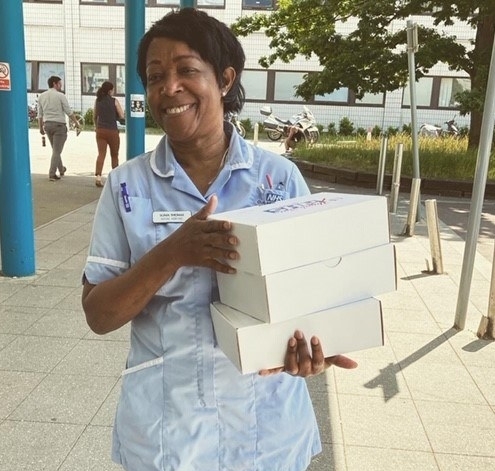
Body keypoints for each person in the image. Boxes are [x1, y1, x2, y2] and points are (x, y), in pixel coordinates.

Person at [81, 9, 357, 471]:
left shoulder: (278, 178)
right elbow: (98, 315)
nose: (169, 88)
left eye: (187, 70)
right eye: (155, 76)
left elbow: (316, 303)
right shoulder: (128, 186)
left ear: (226, 79)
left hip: (266, 430)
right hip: (167, 433)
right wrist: (174, 252)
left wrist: (315, 350)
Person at [38, 75, 82, 181]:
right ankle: (52, 174)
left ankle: (61, 169)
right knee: (57, 151)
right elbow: (68, 111)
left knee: (55, 149)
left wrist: (40, 127)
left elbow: (40, 114)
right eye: (60, 84)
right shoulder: (60, 96)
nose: (61, 85)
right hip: (59, 126)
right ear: (54, 84)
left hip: (47, 125)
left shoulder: (41, 96)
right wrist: (76, 123)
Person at [93, 81, 125, 187]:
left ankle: (98, 176)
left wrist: (96, 126)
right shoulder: (114, 101)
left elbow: (95, 116)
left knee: (101, 154)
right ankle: (115, 178)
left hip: (100, 130)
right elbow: (121, 115)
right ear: (110, 90)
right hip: (112, 131)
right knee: (114, 154)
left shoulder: (98, 101)